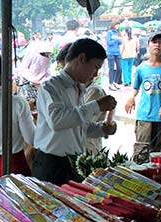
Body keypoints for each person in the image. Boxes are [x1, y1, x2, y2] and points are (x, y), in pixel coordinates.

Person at [32, 38, 117, 185]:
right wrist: (96, 106)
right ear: (82, 58)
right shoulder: (51, 86)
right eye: (95, 67)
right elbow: (57, 121)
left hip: (74, 161)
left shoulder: (79, 88)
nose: (95, 74)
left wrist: (102, 129)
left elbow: (78, 127)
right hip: (52, 163)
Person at [125, 33, 161, 164]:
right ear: (148, 45)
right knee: (141, 149)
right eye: (154, 42)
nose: (158, 45)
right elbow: (136, 87)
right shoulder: (141, 68)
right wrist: (131, 97)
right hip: (144, 115)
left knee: (157, 152)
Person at [15, 40, 53, 122]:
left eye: (48, 56)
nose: (47, 59)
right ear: (31, 56)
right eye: (43, 55)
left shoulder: (52, 81)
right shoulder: (18, 81)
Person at [106, 19, 123, 91]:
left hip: (117, 52)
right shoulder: (109, 33)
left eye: (119, 25)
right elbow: (109, 43)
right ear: (113, 25)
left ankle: (115, 82)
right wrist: (116, 39)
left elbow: (120, 43)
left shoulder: (118, 32)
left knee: (119, 68)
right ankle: (110, 83)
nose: (118, 26)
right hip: (110, 52)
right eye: (117, 24)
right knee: (111, 68)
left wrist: (120, 40)